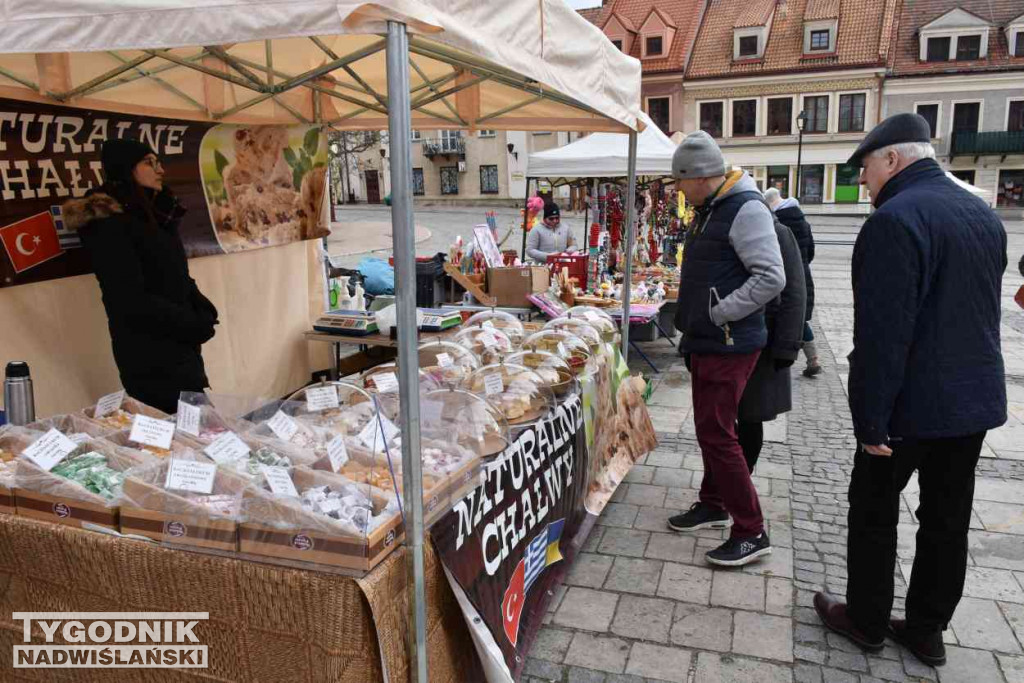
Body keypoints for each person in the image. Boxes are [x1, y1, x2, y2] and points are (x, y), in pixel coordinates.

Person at [814, 113, 1007, 666]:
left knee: (873, 512)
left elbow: (881, 334)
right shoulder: (981, 213)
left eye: (867, 170)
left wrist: (870, 419)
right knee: (946, 519)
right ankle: (927, 628)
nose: (865, 183)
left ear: (893, 159)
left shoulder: (895, 220)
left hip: (908, 407)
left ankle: (867, 619)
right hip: (971, 403)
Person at [666, 131, 786, 567]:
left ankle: (751, 530)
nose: (677, 190)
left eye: (679, 181)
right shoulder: (711, 207)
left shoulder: (744, 208)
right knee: (711, 432)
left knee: (719, 436)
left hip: (727, 342)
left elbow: (771, 277)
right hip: (709, 339)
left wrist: (719, 313)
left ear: (699, 177)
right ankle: (713, 502)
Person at [63, 139, 219, 414]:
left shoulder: (156, 213)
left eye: (159, 162)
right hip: (149, 354)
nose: (160, 170)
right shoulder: (108, 224)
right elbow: (128, 299)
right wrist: (191, 322)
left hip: (181, 346)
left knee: (197, 429)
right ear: (125, 168)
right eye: (149, 162)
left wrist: (201, 307)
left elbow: (175, 275)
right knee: (185, 434)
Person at [737, 203, 806, 473]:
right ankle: (728, 481)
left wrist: (788, 346)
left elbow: (795, 293)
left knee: (750, 414)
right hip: (732, 340)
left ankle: (744, 475)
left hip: (764, 339)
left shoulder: (778, 231)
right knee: (729, 415)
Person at [764, 188, 820, 377]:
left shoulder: (778, 222)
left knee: (795, 317)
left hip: (788, 275)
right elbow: (811, 250)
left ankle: (812, 358)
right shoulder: (802, 220)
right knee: (800, 316)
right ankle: (812, 358)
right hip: (804, 273)